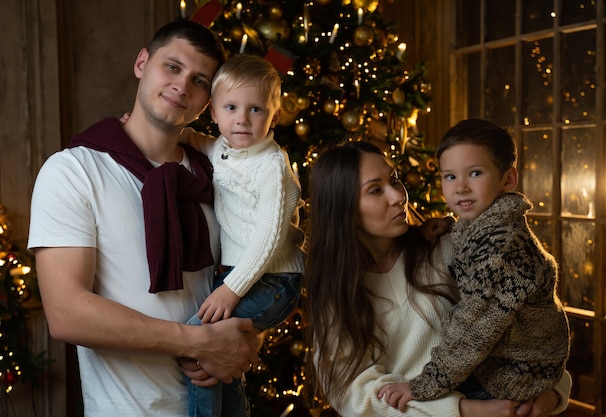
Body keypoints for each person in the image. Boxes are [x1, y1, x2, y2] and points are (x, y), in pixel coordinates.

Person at [27, 20, 261, 417]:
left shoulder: (219, 176)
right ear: (141, 63)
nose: (182, 86)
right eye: (172, 67)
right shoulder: (74, 170)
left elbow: (239, 280)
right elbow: (67, 312)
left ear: (208, 100)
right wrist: (198, 342)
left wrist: (245, 338)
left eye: (199, 80)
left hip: (219, 403)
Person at [305, 140, 571, 417]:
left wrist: (553, 393)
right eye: (375, 190)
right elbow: (355, 397)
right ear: (343, 208)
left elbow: (537, 319)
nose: (398, 196)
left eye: (394, 180)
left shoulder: (449, 247)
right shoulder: (336, 293)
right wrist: (466, 410)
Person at [182, 54, 305, 416]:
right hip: (238, 276)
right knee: (224, 363)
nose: (242, 118)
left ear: (274, 117)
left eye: (256, 109)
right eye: (231, 107)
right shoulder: (222, 147)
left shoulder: (272, 168)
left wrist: (231, 289)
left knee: (200, 336)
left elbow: (268, 240)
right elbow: (195, 139)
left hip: (274, 280)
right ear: (214, 113)